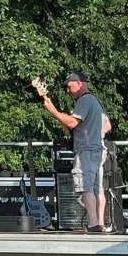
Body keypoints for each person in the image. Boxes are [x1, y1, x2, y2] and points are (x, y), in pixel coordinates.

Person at [43, 72, 111, 233]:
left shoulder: (84, 100)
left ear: (79, 83)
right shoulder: (95, 101)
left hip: (86, 150)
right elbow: (108, 126)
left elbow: (73, 122)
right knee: (97, 188)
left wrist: (53, 111)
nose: (68, 90)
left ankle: (93, 224)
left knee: (86, 187)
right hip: (98, 149)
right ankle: (100, 224)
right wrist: (93, 133)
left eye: (69, 86)